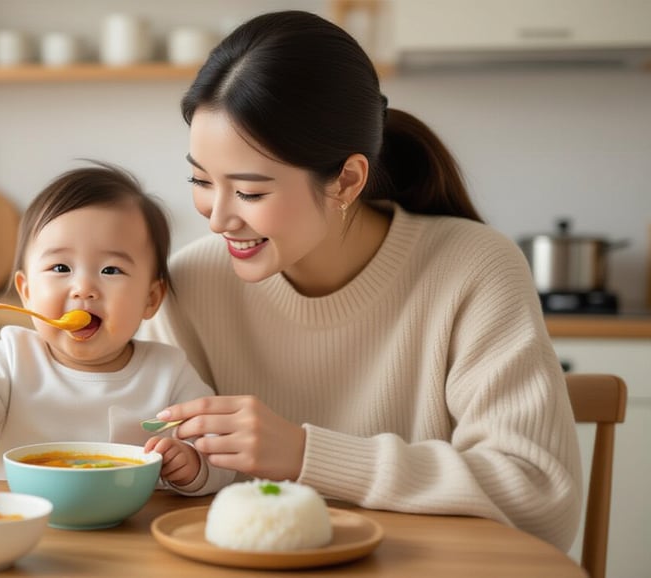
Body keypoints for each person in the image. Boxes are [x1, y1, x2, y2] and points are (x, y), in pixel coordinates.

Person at [139, 10, 582, 550]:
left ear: (346, 180)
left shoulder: (473, 268)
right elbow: (147, 470)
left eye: (250, 192)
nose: (218, 218)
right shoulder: (191, 283)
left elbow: (540, 500)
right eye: (201, 180)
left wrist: (306, 455)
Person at [0, 162, 234, 496]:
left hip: (130, 523)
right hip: (19, 518)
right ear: (26, 291)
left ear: (150, 299)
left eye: (111, 270)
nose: (84, 288)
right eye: (60, 267)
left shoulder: (168, 372)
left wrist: (193, 465)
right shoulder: (10, 358)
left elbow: (220, 455)